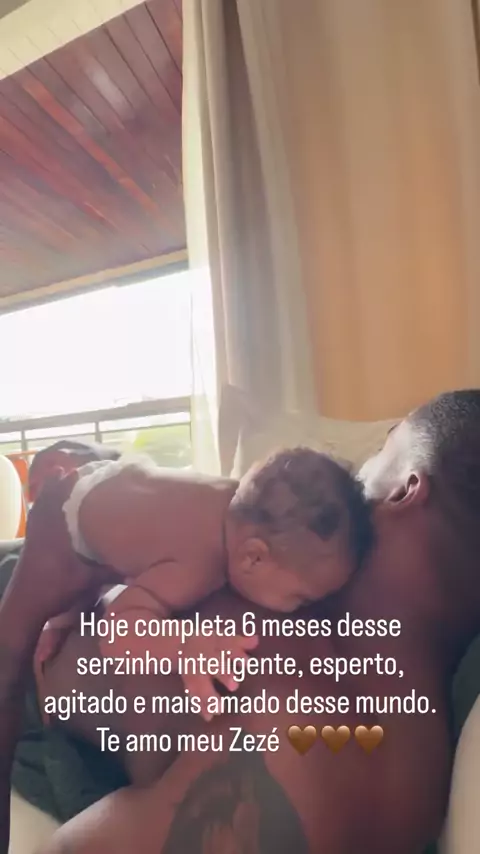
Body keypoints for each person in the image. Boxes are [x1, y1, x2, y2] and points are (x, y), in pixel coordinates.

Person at [4, 389, 480, 853]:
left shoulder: (303, 733)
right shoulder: (423, 764)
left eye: (378, 455)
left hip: (35, 643)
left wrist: (25, 611)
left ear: (404, 492)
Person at [40, 448, 371, 714]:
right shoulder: (196, 565)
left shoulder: (239, 504)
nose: (304, 610)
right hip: (74, 516)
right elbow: (116, 634)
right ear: (253, 558)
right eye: (302, 599)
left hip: (123, 479)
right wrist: (185, 645)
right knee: (51, 613)